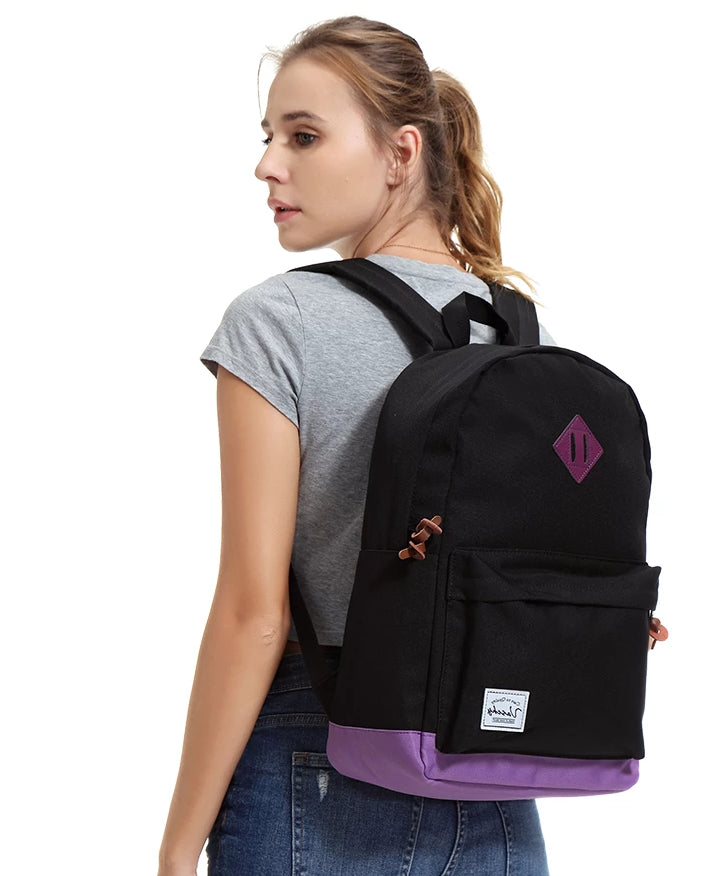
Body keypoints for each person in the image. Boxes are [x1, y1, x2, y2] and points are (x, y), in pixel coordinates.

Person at [158, 16, 553, 876]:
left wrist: (177, 847)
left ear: (401, 153)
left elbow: (255, 614)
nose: (268, 166)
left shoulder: (279, 320)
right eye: (268, 137)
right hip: (499, 780)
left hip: (319, 755)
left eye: (303, 136)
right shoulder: (521, 332)